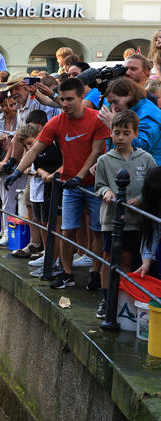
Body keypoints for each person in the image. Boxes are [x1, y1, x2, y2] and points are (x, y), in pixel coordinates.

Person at [9, 77, 110, 290]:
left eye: (70, 99)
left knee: (96, 231)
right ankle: (66, 273)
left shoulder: (96, 119)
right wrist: (17, 171)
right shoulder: (56, 122)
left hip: (94, 184)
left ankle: (94, 271)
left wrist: (80, 176)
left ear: (82, 97)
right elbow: (35, 149)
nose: (65, 104)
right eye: (62, 99)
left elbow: (96, 151)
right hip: (69, 185)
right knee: (67, 230)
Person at [94, 110, 156, 319]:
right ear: (111, 133)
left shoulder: (145, 159)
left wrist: (139, 198)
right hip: (112, 218)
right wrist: (107, 192)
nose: (120, 137)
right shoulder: (104, 160)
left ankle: (124, 299)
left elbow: (152, 185)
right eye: (117, 133)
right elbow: (99, 185)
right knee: (109, 256)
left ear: (135, 134)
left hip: (135, 219)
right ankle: (105, 298)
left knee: (129, 259)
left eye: (126, 133)